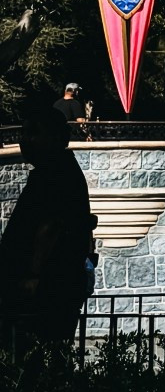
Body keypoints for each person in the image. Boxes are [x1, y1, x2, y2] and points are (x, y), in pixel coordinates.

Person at [0, 104, 96, 346]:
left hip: (44, 286)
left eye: (33, 133)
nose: (25, 140)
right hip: (51, 282)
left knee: (31, 352)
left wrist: (33, 274)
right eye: (24, 133)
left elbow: (50, 226)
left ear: (53, 137)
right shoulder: (61, 170)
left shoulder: (54, 173)